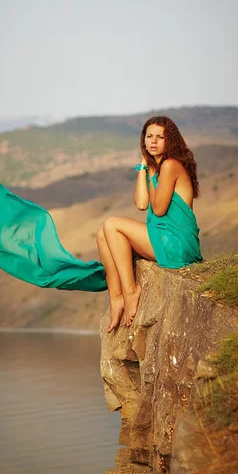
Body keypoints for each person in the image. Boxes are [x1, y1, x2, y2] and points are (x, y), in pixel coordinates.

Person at [96, 115, 203, 333]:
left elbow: (160, 208)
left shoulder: (171, 165)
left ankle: (130, 291)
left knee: (112, 224)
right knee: (102, 233)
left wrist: (152, 172)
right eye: (149, 136)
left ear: (170, 141)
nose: (153, 141)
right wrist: (144, 168)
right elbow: (141, 203)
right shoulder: (156, 167)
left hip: (176, 242)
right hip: (161, 236)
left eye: (160, 137)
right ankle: (116, 298)